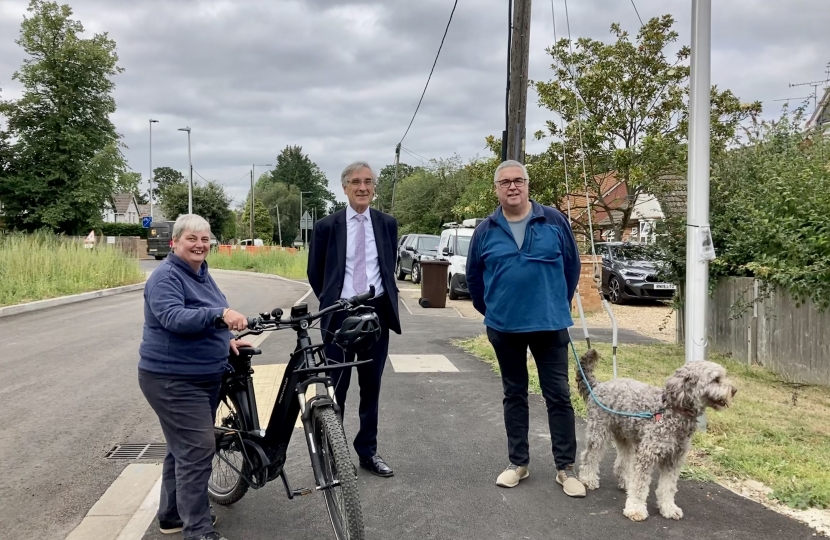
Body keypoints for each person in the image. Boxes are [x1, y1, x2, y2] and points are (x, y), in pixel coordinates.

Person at [465, 159, 586, 498]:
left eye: (518, 180)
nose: (513, 186)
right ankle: (517, 463)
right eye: (505, 182)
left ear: (528, 184)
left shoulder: (553, 221)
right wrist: (495, 310)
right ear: (497, 189)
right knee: (514, 394)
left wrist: (553, 303)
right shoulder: (486, 230)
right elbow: (475, 280)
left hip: (550, 326)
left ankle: (566, 468)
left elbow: (571, 268)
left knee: (558, 396)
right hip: (504, 328)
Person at [138, 214, 251, 540]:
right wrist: (221, 315)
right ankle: (198, 532)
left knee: (182, 448)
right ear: (175, 242)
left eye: (205, 239)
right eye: (192, 239)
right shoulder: (165, 277)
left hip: (204, 376)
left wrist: (226, 339)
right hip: (172, 379)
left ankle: (172, 516)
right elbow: (174, 317)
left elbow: (207, 314)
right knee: (198, 449)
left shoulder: (201, 273)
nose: (200, 245)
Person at [307, 160, 401, 477]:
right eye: (356, 182)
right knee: (337, 388)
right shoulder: (326, 227)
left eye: (369, 182)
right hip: (339, 318)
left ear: (374, 187)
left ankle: (368, 453)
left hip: (375, 315)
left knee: (371, 388)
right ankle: (335, 453)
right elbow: (315, 273)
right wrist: (335, 301)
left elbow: (388, 267)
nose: (363, 188)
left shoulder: (387, 224)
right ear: (345, 187)